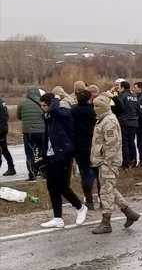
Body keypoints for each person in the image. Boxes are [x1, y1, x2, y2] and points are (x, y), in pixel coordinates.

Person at [90, 94, 140, 234]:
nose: (95, 108)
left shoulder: (109, 121)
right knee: (109, 188)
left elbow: (112, 144)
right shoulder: (102, 119)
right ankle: (129, 212)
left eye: (97, 106)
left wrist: (107, 162)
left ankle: (106, 222)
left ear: (104, 106)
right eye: (94, 105)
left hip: (108, 161)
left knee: (106, 190)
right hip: (103, 160)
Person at [36, 93, 88, 228]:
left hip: (64, 153)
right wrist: (43, 154)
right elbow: (47, 137)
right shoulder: (48, 116)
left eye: (44, 105)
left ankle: (80, 207)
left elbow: (54, 109)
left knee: (62, 186)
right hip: (51, 155)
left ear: (52, 103)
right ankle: (58, 218)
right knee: (52, 186)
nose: (42, 108)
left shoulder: (64, 113)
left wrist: (55, 99)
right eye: (40, 106)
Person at [71, 89, 97, 209]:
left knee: (85, 174)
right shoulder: (93, 111)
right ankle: (103, 200)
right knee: (98, 173)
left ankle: (89, 201)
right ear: (89, 98)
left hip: (79, 146)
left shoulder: (73, 111)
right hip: (93, 145)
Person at [16, 85, 46, 181]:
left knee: (30, 153)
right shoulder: (42, 102)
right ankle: (43, 172)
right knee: (41, 152)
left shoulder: (22, 102)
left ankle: (32, 174)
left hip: (28, 132)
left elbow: (18, 116)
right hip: (41, 131)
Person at [111, 80, 139, 168]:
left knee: (124, 143)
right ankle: (134, 161)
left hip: (124, 122)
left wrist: (112, 95)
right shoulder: (134, 96)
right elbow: (137, 109)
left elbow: (114, 107)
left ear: (122, 87)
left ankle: (126, 163)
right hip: (134, 122)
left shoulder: (121, 96)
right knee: (132, 142)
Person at [0, 96, 16, 176]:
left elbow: (3, 116)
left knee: (4, 149)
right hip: (3, 128)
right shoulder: (1, 102)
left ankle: (11, 167)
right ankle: (11, 167)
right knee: (4, 149)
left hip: (1, 129)